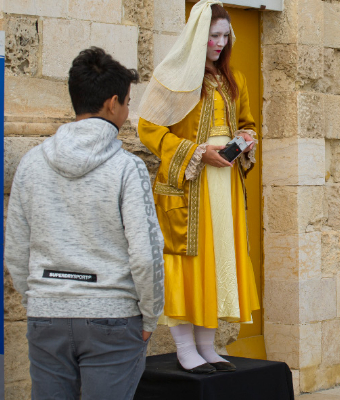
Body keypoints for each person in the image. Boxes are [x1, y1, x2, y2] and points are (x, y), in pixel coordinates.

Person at [4, 47, 164, 399]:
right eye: (126, 102)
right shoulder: (127, 168)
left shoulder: (32, 163)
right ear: (111, 103)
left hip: (47, 316)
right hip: (112, 317)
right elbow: (145, 254)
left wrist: (41, 301)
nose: (127, 111)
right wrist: (150, 317)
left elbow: (15, 248)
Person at [136, 0, 259, 374]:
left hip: (225, 187)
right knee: (189, 263)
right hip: (189, 187)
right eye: (213, 36)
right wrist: (197, 152)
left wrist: (245, 139)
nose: (220, 43)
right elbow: (148, 128)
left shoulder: (234, 79)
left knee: (219, 258)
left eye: (225, 36)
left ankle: (208, 346)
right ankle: (185, 347)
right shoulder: (173, 79)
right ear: (197, 36)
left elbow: (248, 122)